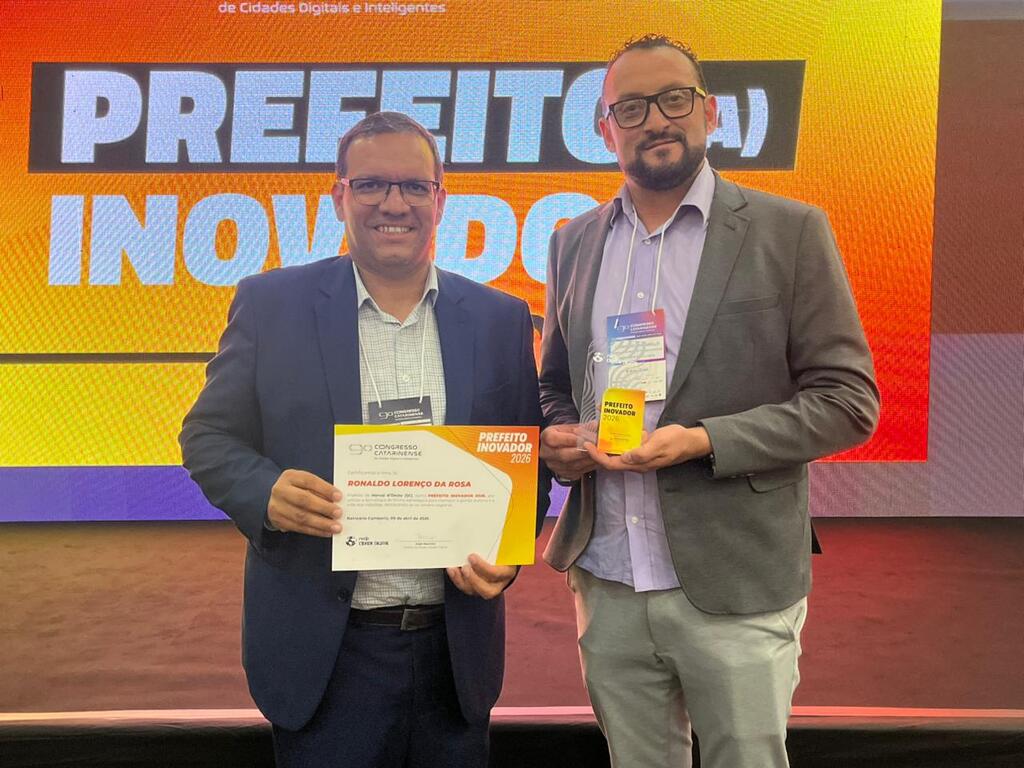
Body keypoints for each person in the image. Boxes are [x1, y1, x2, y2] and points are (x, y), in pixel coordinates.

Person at [538, 35, 880, 768]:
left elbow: (849, 400)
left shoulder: (790, 231)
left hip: (737, 578)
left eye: (674, 99)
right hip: (609, 576)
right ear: (605, 129)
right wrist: (561, 438)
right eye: (631, 108)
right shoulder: (573, 242)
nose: (656, 120)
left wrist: (704, 441)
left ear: (710, 111)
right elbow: (554, 388)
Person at [180, 111, 549, 768]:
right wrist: (265, 492)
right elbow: (208, 435)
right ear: (339, 196)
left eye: (414, 186)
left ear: (440, 199)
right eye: (372, 184)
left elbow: (527, 457)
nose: (394, 204)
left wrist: (507, 554)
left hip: (454, 656)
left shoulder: (500, 318)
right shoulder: (272, 305)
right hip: (326, 656)